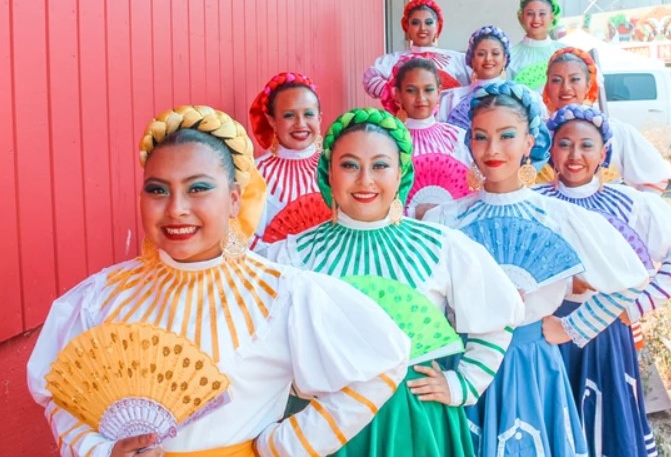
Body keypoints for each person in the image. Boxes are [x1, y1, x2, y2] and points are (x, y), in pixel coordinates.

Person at [27, 105, 410, 457]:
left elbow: (381, 365)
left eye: (198, 188)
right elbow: (60, 394)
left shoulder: (281, 293)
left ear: (233, 199)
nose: (176, 208)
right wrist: (99, 450)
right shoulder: (101, 297)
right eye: (158, 190)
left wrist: (283, 445)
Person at [262, 106, 524, 457]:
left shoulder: (441, 245)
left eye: (380, 165)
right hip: (322, 422)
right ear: (328, 172)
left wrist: (463, 383)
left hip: (413, 416)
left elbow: (500, 313)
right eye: (349, 165)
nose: (365, 180)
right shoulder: (288, 256)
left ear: (401, 172)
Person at [424, 82, 648, 456]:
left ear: (529, 142)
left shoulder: (557, 216)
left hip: (529, 364)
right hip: (460, 366)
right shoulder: (446, 218)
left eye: (506, 136)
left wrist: (571, 327)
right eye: (481, 137)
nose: (492, 149)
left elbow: (630, 279)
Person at [535, 104, 671, 457]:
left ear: (604, 154)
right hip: (547, 329)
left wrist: (635, 307)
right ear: (550, 150)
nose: (575, 155)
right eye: (564, 144)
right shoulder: (535, 204)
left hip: (607, 327)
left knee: (605, 418)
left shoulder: (630, 203)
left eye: (587, 145)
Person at [543, 47, 671, 193]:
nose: (566, 87)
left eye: (575, 79)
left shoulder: (616, 132)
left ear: (588, 84)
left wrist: (628, 209)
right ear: (547, 86)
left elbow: (654, 176)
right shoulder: (537, 135)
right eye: (556, 80)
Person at [380, 57, 471, 217]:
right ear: (398, 95)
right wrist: (413, 212)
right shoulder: (386, 142)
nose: (421, 98)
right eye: (411, 90)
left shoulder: (458, 138)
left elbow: (472, 190)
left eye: (428, 90)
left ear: (439, 92)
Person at [249, 72, 328, 243]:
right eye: (289, 115)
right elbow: (248, 240)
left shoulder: (335, 166)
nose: (300, 124)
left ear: (319, 118)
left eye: (308, 114)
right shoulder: (256, 174)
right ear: (272, 121)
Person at [363, 0, 470, 102]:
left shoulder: (459, 59)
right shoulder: (391, 61)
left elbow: (480, 82)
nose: (422, 28)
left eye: (428, 23)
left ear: (437, 26)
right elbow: (370, 80)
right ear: (407, 27)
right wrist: (393, 94)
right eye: (415, 23)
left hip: (450, 119)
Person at [438, 25, 512, 131]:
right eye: (481, 54)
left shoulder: (518, 96)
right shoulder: (452, 98)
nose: (488, 59)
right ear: (472, 59)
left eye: (495, 53)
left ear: (505, 59)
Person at [508, 0, 565, 91]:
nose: (536, 19)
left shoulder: (566, 52)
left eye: (542, 13)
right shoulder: (510, 57)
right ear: (522, 17)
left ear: (552, 17)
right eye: (530, 14)